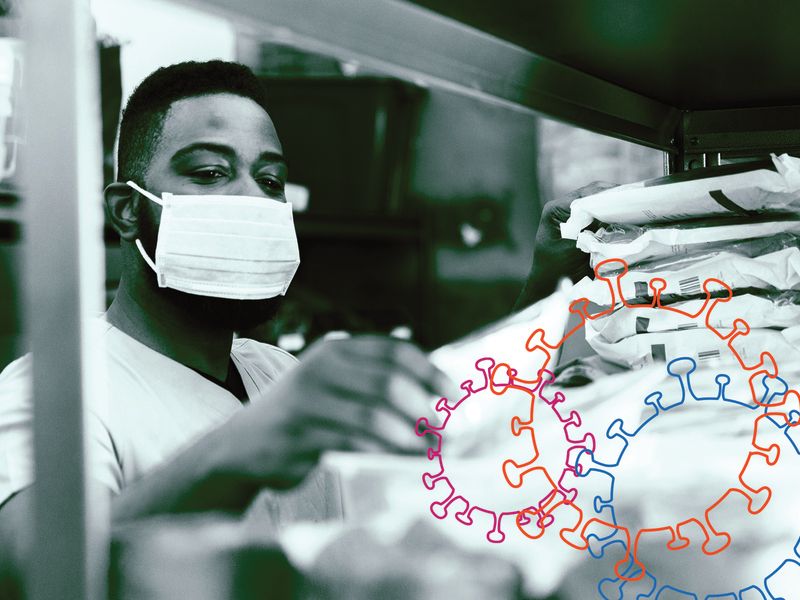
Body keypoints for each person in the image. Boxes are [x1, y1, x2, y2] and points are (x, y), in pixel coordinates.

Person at [0, 59, 588, 594]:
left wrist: (549, 283)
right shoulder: (54, 391)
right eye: (209, 171)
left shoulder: (276, 372)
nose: (251, 199)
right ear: (128, 210)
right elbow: (33, 570)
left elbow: (465, 430)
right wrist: (242, 446)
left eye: (270, 180)